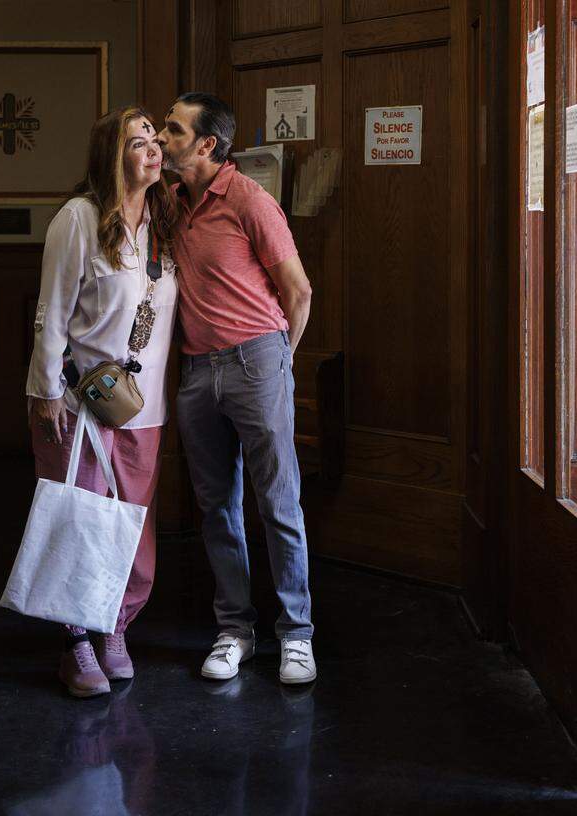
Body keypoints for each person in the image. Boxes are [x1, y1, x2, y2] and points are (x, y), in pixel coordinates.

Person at [156, 92, 317, 685]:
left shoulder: (251, 199)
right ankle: (235, 631)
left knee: (278, 503)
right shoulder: (171, 203)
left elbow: (298, 292)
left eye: (172, 129)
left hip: (258, 363)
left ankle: (297, 634)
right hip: (197, 371)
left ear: (206, 144)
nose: (163, 137)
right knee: (217, 508)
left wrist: (279, 362)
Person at [26, 106, 178, 697]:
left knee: (133, 530)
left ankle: (116, 627)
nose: (153, 149)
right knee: (81, 524)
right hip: (80, 402)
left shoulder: (164, 220)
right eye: (139, 141)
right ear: (111, 156)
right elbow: (51, 312)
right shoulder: (79, 219)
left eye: (155, 140)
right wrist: (46, 392)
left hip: (143, 405)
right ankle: (77, 644)